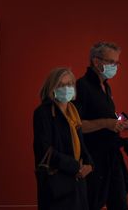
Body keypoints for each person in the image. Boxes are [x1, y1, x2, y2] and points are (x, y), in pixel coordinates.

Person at [73, 42, 128, 210]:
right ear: (96, 61)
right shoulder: (82, 86)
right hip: (93, 157)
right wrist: (106, 123)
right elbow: (76, 125)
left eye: (117, 63)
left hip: (111, 155)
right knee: (92, 203)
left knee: (120, 203)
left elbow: (106, 117)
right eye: (111, 62)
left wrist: (120, 121)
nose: (115, 66)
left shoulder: (106, 87)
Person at [33, 67, 94, 210]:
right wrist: (75, 167)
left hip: (78, 183)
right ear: (52, 87)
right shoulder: (43, 112)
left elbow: (81, 144)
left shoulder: (73, 111)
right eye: (61, 85)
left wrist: (89, 163)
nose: (66, 88)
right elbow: (44, 149)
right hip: (57, 185)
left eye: (69, 84)